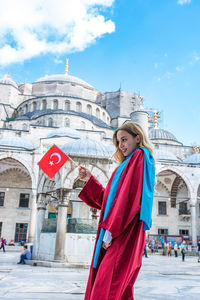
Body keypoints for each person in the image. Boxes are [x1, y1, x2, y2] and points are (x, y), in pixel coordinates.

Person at [78, 122, 155, 300]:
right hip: (120, 227)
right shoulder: (126, 164)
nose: (121, 145)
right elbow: (110, 202)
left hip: (125, 229)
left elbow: (129, 198)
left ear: (138, 138)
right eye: (118, 141)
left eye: (124, 139)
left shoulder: (140, 156)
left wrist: (111, 232)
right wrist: (91, 180)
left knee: (108, 285)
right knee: (120, 289)